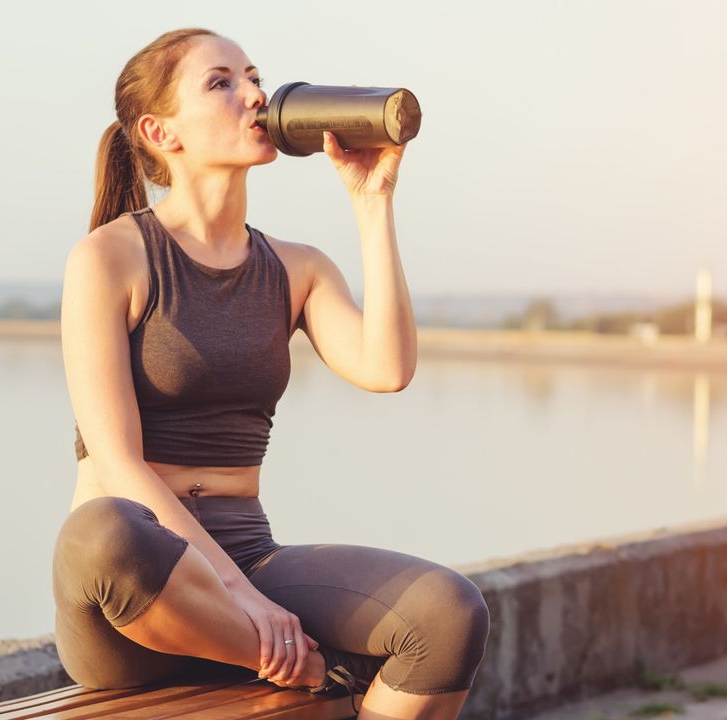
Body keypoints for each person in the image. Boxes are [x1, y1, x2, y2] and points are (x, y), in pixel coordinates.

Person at [51, 27, 490, 719]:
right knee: (104, 530)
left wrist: (372, 202)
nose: (255, 95)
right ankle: (306, 670)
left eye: (254, 76)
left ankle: (289, 661)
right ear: (161, 131)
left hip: (247, 553)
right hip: (140, 597)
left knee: (448, 612)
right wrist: (251, 610)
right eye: (220, 82)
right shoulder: (109, 259)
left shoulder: (296, 268)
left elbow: (389, 368)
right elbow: (119, 463)